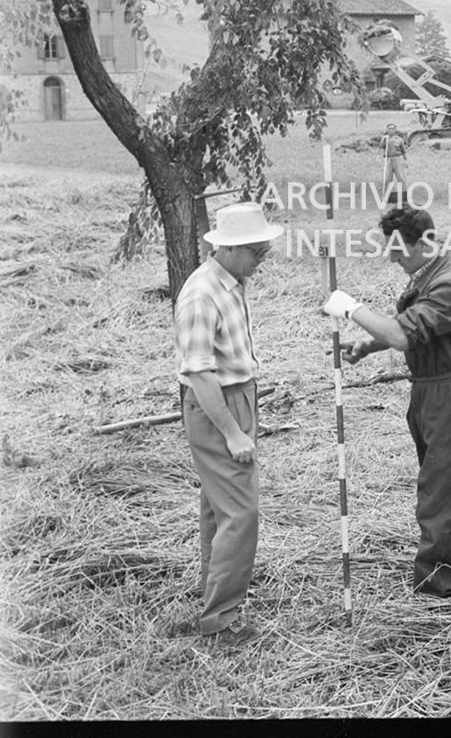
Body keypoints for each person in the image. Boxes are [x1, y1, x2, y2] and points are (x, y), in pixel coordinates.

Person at [323, 206, 451, 598]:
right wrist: (368, 345)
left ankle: (439, 586)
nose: (392, 257)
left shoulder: (449, 285)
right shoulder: (428, 276)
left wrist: (352, 309)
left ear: (426, 243)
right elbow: (413, 327)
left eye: (399, 249)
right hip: (431, 389)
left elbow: (401, 335)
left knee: (443, 487)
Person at [172, 201, 283, 646]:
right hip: (218, 405)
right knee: (241, 512)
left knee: (220, 508)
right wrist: (233, 432)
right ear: (230, 249)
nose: (261, 260)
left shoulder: (232, 281)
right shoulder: (201, 295)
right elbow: (199, 374)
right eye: (256, 252)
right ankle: (221, 618)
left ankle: (214, 594)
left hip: (239, 395)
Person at [380, 123, 408, 203]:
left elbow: (404, 151)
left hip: (398, 159)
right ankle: (386, 197)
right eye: (389, 128)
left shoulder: (399, 139)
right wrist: (383, 139)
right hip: (388, 159)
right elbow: (381, 146)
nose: (391, 130)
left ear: (395, 130)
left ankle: (404, 197)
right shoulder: (385, 139)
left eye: (393, 128)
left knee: (401, 178)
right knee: (387, 178)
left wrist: (406, 161)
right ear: (387, 130)